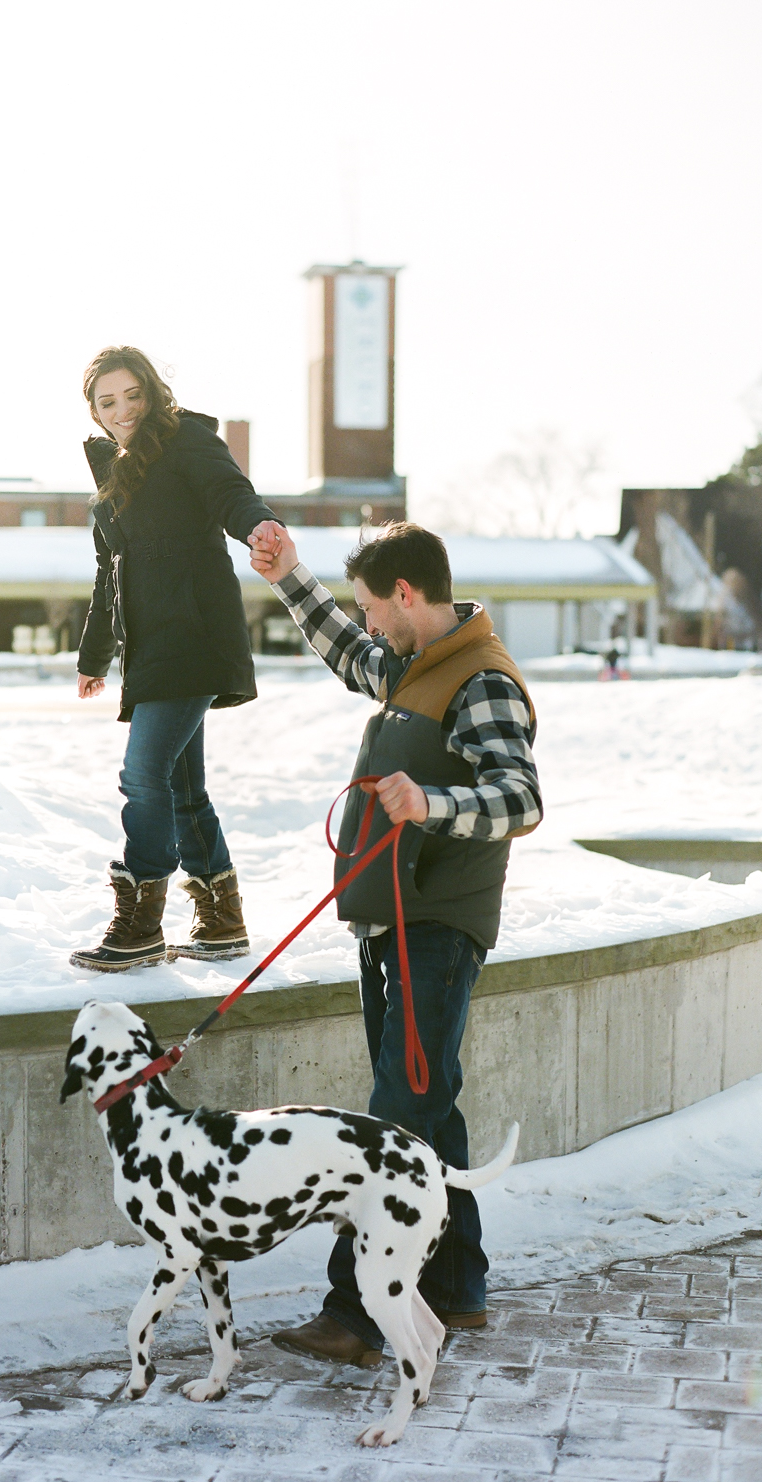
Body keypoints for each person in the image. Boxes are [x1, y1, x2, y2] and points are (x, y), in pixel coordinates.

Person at [247, 519, 542, 1358]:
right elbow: (348, 652)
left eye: (374, 606)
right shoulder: (416, 664)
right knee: (427, 1117)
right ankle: (457, 1288)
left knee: (392, 1121)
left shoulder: (480, 680)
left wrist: (431, 804)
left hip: (437, 930)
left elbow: (518, 798)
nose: (368, 622)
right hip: (393, 923)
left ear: (407, 595)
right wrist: (288, 576)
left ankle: (353, 1313)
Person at [70, 346, 280, 973]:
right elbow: (110, 572)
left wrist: (258, 525)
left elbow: (230, 492)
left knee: (143, 776)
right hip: (151, 650)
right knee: (184, 788)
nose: (123, 410)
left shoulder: (187, 439)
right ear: (95, 412)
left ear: (153, 392)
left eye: (132, 395)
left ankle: (140, 923)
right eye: (108, 402)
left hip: (194, 632)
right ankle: (222, 920)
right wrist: (94, 657)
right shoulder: (110, 475)